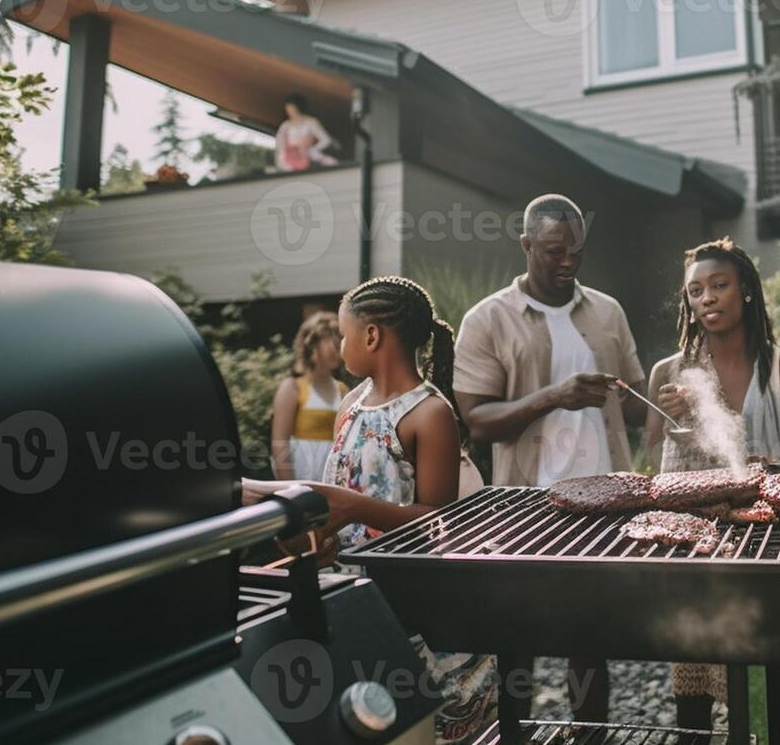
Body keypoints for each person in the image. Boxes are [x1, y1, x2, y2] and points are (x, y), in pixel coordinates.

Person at [245, 275, 494, 744]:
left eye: (343, 334)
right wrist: (328, 537)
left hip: (415, 605)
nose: (339, 345)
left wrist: (355, 508)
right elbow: (345, 492)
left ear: (372, 335)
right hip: (356, 596)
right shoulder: (351, 404)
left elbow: (438, 521)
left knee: (425, 724)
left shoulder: (429, 413)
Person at [453, 193, 649, 724]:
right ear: (526, 245)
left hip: (605, 502)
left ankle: (590, 736)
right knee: (518, 635)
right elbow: (476, 420)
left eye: (576, 252)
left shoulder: (607, 311)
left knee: (590, 637)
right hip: (526, 503)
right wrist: (553, 397)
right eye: (553, 251)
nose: (567, 262)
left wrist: (657, 400)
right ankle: (515, 734)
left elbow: (632, 409)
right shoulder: (488, 319)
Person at [646, 237, 780, 730]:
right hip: (696, 544)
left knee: (779, 669)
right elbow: (654, 463)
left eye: (719, 285)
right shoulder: (669, 373)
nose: (707, 298)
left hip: (769, 538)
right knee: (694, 667)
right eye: (696, 291)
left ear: (745, 291)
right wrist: (687, 417)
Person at [269, 312, 348, 481]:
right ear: (311, 345)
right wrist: (289, 490)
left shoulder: (343, 391)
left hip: (332, 480)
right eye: (329, 342)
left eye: (339, 343)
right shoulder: (292, 387)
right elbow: (279, 442)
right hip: (301, 478)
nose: (336, 350)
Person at [274, 93, 337, 172]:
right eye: (288, 109)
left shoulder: (311, 122)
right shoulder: (285, 126)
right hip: (290, 161)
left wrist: (312, 149)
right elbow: (280, 146)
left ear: (298, 108)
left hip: (309, 160)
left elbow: (326, 140)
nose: (290, 112)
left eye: (293, 109)